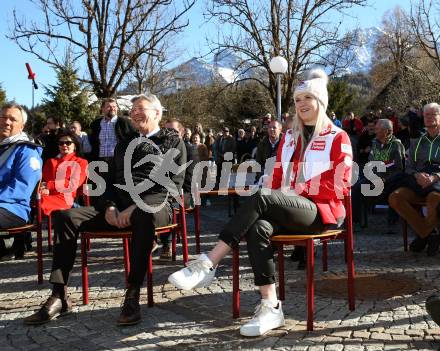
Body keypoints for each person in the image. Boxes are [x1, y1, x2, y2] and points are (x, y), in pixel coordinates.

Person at [168, 69, 352, 337]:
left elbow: (340, 184)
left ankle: (209, 262)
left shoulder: (338, 137)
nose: (301, 103)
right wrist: (271, 187)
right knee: (259, 227)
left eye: (308, 97)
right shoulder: (289, 137)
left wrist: (297, 189)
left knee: (264, 198)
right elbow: (276, 175)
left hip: (323, 211)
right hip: (287, 206)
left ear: (321, 101)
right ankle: (270, 306)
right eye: (298, 98)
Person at [24, 94, 186, 326]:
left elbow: (172, 185)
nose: (135, 113)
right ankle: (59, 295)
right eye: (132, 109)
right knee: (65, 216)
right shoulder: (125, 143)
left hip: (156, 207)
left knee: (144, 214)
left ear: (157, 113)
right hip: (120, 208)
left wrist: (134, 207)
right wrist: (109, 206)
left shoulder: (173, 142)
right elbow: (108, 182)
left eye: (141, 108)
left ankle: (132, 294)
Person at [388, 102, 440, 256]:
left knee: (434, 199)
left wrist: (434, 177)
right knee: (395, 197)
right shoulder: (417, 142)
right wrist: (417, 175)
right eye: (426, 115)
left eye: (433, 114)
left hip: (436, 184)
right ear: (423, 118)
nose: (429, 118)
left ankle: (424, 236)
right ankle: (428, 234)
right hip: (417, 183)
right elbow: (409, 167)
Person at [0, 103, 42, 259]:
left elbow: (21, 188)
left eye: (12, 119)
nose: (6, 122)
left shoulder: (27, 150)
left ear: (22, 126)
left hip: (13, 208)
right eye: (3, 117)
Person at [351, 119, 405, 228]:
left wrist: (384, 179)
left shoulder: (396, 145)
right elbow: (370, 162)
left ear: (386, 131)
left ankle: (392, 223)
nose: (375, 131)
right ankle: (356, 221)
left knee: (394, 191)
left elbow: (399, 169)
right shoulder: (374, 143)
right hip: (374, 178)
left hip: (389, 180)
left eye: (377, 129)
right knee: (356, 188)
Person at [40, 130, 88, 217]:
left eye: (68, 143)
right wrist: (44, 187)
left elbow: (73, 184)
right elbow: (43, 181)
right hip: (48, 194)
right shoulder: (51, 162)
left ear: (75, 146)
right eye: (61, 143)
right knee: (32, 199)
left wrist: (49, 185)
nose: (64, 145)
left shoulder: (81, 162)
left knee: (39, 201)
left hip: (66, 197)